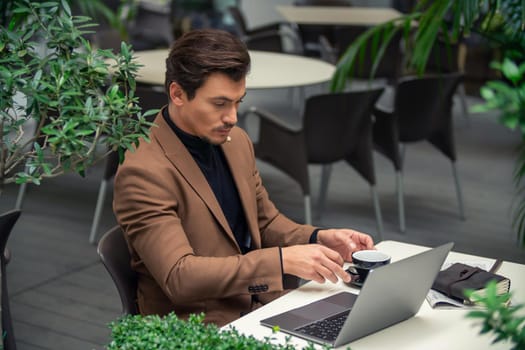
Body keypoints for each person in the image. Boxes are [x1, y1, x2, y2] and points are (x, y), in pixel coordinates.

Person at [113, 28, 375, 327]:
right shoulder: (144, 171)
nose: (233, 117)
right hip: (199, 326)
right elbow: (180, 276)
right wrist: (280, 262)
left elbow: (265, 222)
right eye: (220, 103)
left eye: (238, 102)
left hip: (262, 306)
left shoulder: (235, 142)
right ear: (177, 94)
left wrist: (319, 238)